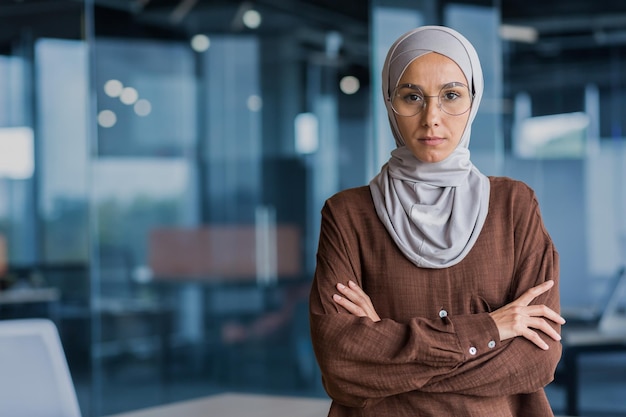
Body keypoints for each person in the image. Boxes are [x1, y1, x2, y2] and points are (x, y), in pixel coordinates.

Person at [308, 25, 566, 417]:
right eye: (412, 96)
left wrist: (389, 355)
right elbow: (342, 363)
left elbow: (537, 359)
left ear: (473, 100)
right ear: (390, 101)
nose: (432, 118)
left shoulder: (515, 206)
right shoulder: (348, 215)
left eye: (451, 96)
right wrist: (491, 331)